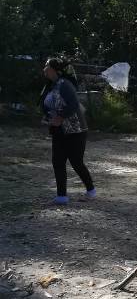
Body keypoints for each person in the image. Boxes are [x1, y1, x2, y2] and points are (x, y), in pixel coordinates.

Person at [41, 57, 96, 205]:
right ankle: (61, 196)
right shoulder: (51, 85)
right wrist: (48, 117)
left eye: (46, 67)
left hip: (75, 130)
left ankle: (91, 190)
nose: (44, 70)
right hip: (58, 130)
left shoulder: (65, 84)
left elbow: (73, 105)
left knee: (76, 162)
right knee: (57, 162)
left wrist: (60, 117)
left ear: (54, 69)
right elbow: (46, 105)